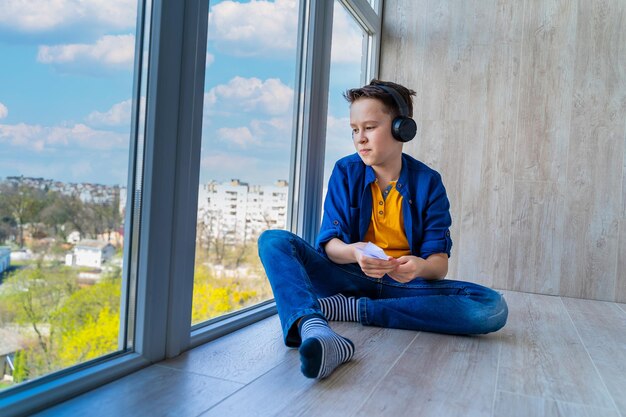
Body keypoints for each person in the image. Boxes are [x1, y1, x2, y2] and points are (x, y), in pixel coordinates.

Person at [257, 79, 508, 380]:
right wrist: (354, 251)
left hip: (401, 287)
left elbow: (438, 266)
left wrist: (419, 267)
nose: (359, 139)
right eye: (354, 130)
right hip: (347, 275)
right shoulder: (345, 171)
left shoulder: (429, 183)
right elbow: (329, 246)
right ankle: (316, 328)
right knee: (273, 240)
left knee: (491, 308)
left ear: (402, 128)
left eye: (370, 127)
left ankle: (351, 311)